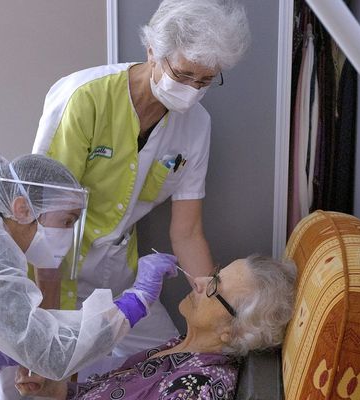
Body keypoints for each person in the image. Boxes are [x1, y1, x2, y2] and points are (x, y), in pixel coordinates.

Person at [30, 0, 252, 379]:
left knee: (169, 362)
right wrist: (47, 324)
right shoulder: (85, 98)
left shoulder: (197, 125)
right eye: (183, 75)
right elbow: (48, 223)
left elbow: (187, 232)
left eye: (205, 81)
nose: (193, 91)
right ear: (152, 50)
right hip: (52, 269)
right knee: (48, 373)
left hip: (120, 271)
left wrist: (215, 306)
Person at [0, 151, 177, 387]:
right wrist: (136, 300)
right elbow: (54, 355)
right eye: (67, 221)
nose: (68, 236)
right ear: (22, 209)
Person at [14, 255, 297, 400]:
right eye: (212, 275)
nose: (198, 280)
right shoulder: (177, 348)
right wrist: (55, 389)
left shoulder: (198, 388)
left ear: (232, 331)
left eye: (213, 287)